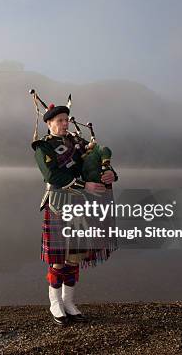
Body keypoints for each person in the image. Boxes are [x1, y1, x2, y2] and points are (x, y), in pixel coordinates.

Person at [32, 103, 117, 325]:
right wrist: (85, 185)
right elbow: (53, 176)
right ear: (49, 123)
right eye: (58, 120)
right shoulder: (43, 147)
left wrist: (108, 173)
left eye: (65, 119)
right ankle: (55, 303)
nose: (63, 123)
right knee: (58, 260)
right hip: (58, 204)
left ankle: (69, 302)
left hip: (80, 205)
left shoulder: (78, 143)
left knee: (74, 258)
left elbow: (94, 163)